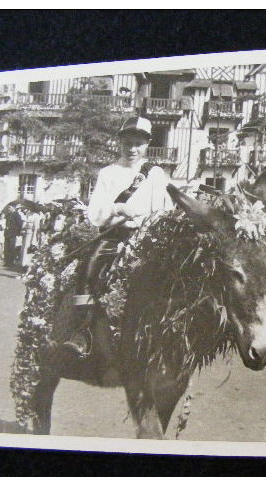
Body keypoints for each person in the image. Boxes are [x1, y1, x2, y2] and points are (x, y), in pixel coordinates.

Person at [63, 116, 172, 358]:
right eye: (128, 143)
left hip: (145, 238)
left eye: (138, 144)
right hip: (112, 236)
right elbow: (95, 213)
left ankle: (161, 337)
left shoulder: (155, 174)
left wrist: (143, 221)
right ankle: (83, 332)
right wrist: (116, 209)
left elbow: (164, 211)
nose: (132, 149)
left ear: (147, 145)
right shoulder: (107, 173)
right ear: (120, 142)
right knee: (88, 267)